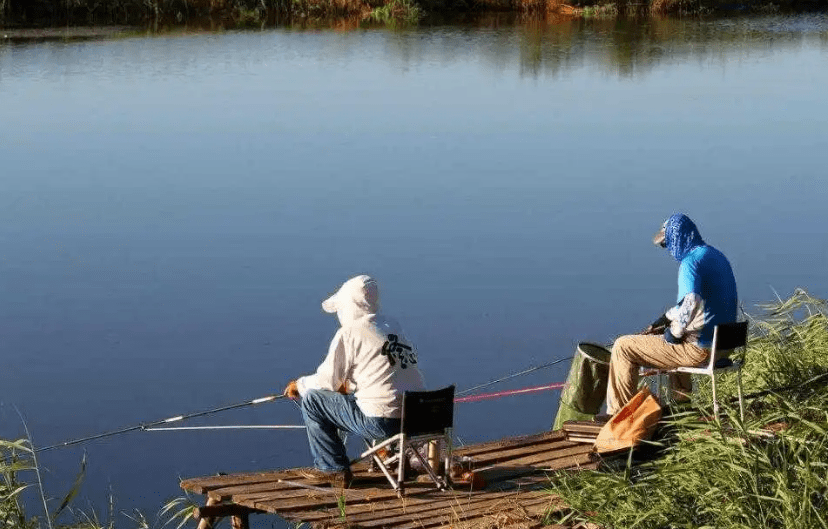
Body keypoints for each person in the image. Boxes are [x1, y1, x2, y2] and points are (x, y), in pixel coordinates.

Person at [284, 275, 425, 487]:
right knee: (349, 395)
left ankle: (332, 469)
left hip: (384, 422)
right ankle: (398, 457)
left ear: (349, 306)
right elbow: (382, 372)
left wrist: (299, 385)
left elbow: (327, 381)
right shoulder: (391, 324)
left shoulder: (349, 332)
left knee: (313, 399)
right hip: (418, 418)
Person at [606, 214, 738, 415]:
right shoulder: (715, 256)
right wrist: (664, 320)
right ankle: (682, 408)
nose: (667, 249)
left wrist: (674, 332)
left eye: (667, 243)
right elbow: (694, 302)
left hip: (701, 351)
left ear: (677, 239)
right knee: (678, 341)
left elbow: (691, 300)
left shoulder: (690, 263)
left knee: (623, 347)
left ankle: (618, 416)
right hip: (724, 345)